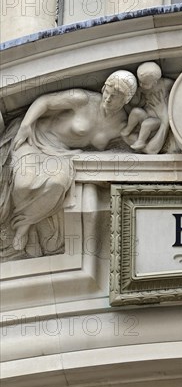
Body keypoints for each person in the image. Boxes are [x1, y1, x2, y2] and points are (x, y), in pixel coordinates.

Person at [3, 70, 137, 254]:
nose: (108, 97)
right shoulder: (83, 99)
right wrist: (26, 126)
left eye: (116, 96)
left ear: (125, 101)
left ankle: (24, 225)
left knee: (57, 183)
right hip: (36, 140)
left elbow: (130, 148)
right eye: (107, 90)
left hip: (64, 155)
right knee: (23, 184)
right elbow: (45, 102)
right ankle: (22, 221)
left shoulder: (121, 125)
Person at [121, 62, 173, 153]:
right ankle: (127, 129)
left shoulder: (167, 84)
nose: (141, 85)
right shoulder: (143, 89)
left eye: (145, 83)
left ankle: (141, 141)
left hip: (158, 119)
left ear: (155, 82)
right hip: (147, 114)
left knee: (147, 124)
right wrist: (137, 95)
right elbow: (136, 103)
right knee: (136, 112)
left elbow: (177, 92)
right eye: (140, 82)